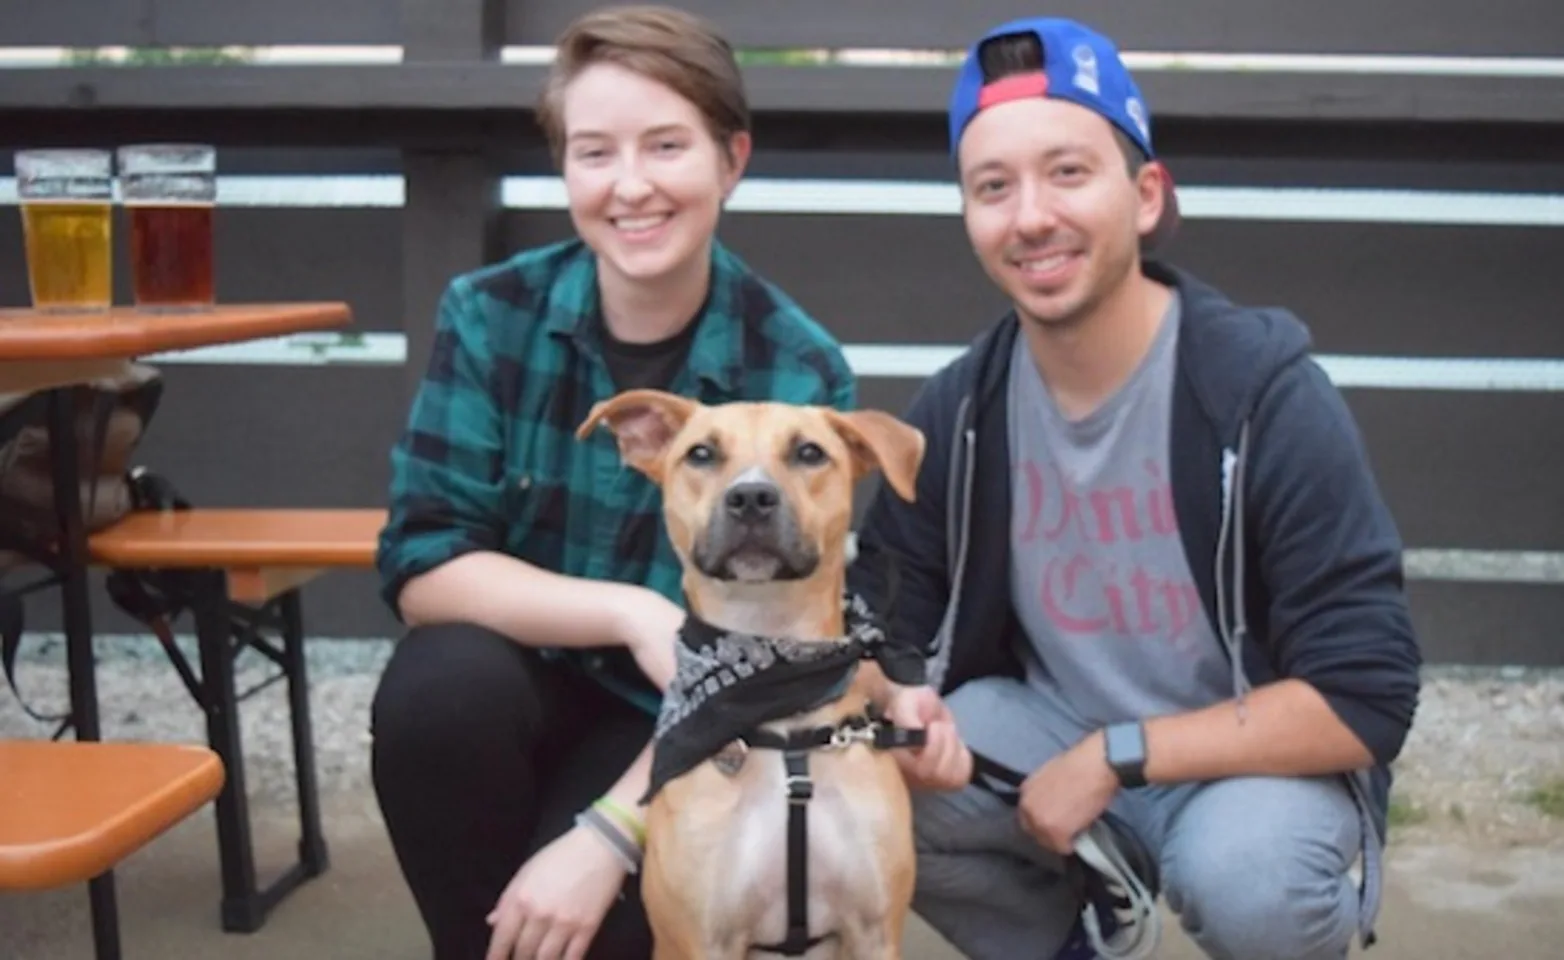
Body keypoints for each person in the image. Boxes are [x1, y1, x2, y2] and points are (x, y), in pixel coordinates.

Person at [848, 16, 1424, 960]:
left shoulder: (1261, 395)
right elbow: (880, 625)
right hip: (1043, 734)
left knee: (1253, 883)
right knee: (877, 779)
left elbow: (1366, 694)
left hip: (1240, 764)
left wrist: (1119, 755)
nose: (1030, 216)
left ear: (1147, 194)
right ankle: (1076, 944)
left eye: (1068, 172)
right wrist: (899, 702)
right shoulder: (962, 407)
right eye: (994, 187)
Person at [368, 6, 857, 959]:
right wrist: (634, 613)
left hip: (688, 721)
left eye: (667, 146)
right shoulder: (490, 314)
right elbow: (423, 563)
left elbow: (792, 646)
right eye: (595, 153)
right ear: (565, 171)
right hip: (513, 683)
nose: (631, 186)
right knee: (436, 692)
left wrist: (606, 835)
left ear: (732, 159)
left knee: (617, 929)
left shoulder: (795, 369)